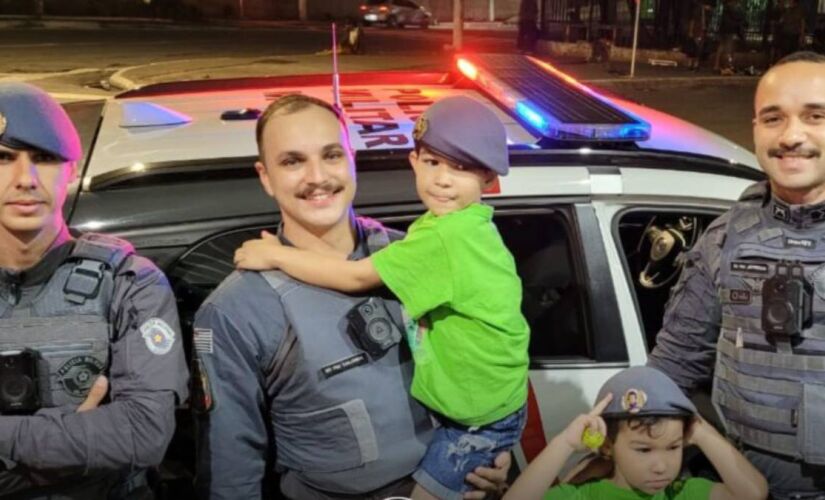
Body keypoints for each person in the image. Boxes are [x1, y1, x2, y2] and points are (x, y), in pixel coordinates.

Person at [193, 94, 512, 500]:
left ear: (351, 158)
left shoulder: (418, 257)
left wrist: (492, 462)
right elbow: (231, 472)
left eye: (331, 155)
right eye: (292, 161)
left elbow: (492, 358)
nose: (317, 176)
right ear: (266, 176)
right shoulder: (238, 310)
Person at [648, 51, 825, 499]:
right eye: (773, 118)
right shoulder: (725, 237)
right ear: (755, 130)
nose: (792, 136)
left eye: (815, 116)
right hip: (745, 482)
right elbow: (676, 361)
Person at [0, 82, 188, 498]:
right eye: (3, 158)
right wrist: (78, 447)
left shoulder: (131, 283)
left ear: (72, 169)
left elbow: (143, 433)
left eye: (45, 158)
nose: (25, 178)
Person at [505, 366, 768, 500]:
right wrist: (566, 442)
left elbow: (753, 494)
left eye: (674, 447)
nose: (661, 466)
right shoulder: (586, 495)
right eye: (643, 449)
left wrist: (701, 432)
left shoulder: (682, 493)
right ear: (608, 446)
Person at [714, 0, 745, 75]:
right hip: (729, 30)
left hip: (725, 29)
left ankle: (717, 65)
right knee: (729, 49)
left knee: (722, 47)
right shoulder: (731, 7)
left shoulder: (727, 7)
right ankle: (727, 66)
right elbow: (738, 17)